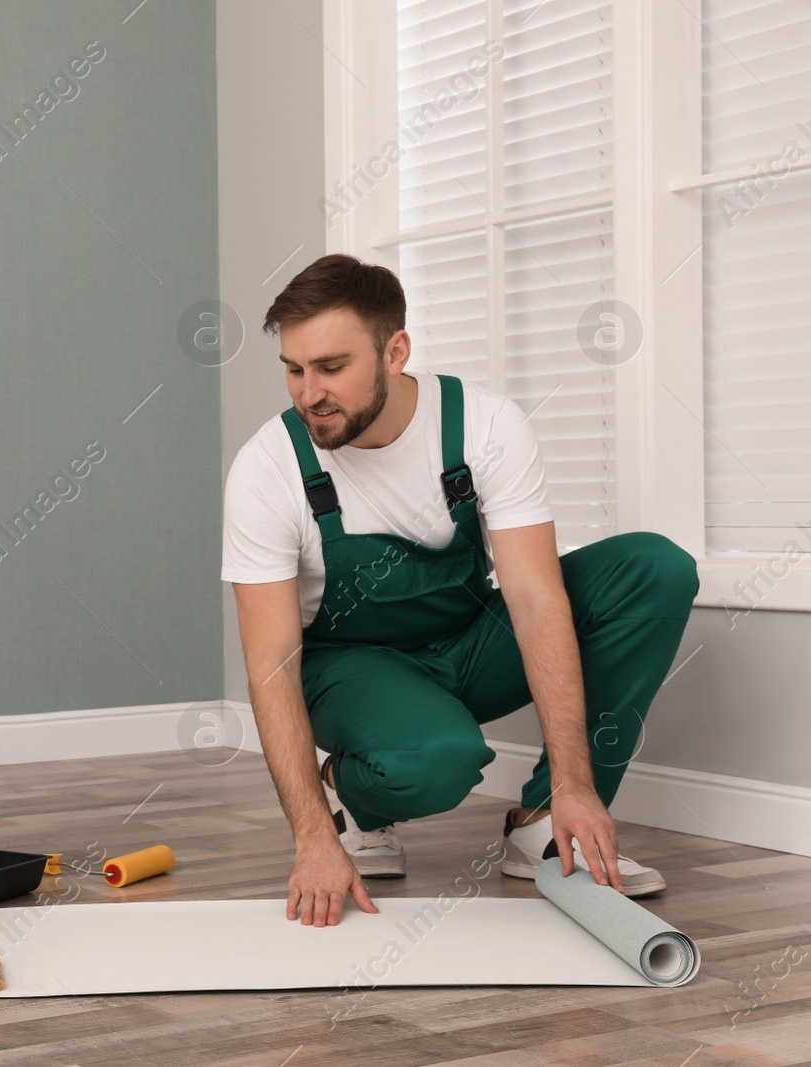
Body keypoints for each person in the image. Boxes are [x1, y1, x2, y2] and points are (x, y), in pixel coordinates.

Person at [222, 255, 699, 928]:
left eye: (331, 367)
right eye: (294, 369)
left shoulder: (484, 425)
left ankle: (544, 824)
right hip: (351, 670)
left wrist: (575, 782)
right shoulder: (267, 468)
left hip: (467, 643)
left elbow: (536, 600)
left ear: (396, 351)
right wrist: (313, 838)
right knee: (438, 759)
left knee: (654, 569)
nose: (309, 393)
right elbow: (271, 661)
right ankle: (354, 800)